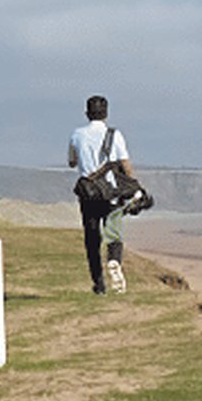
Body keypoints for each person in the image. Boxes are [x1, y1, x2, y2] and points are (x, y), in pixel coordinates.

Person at [68, 95, 134, 295]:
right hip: (111, 193)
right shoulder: (115, 135)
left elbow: (72, 162)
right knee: (114, 232)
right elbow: (125, 164)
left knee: (92, 239)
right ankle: (114, 260)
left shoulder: (77, 135)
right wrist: (132, 186)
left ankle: (99, 285)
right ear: (106, 114)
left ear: (87, 113)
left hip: (88, 194)